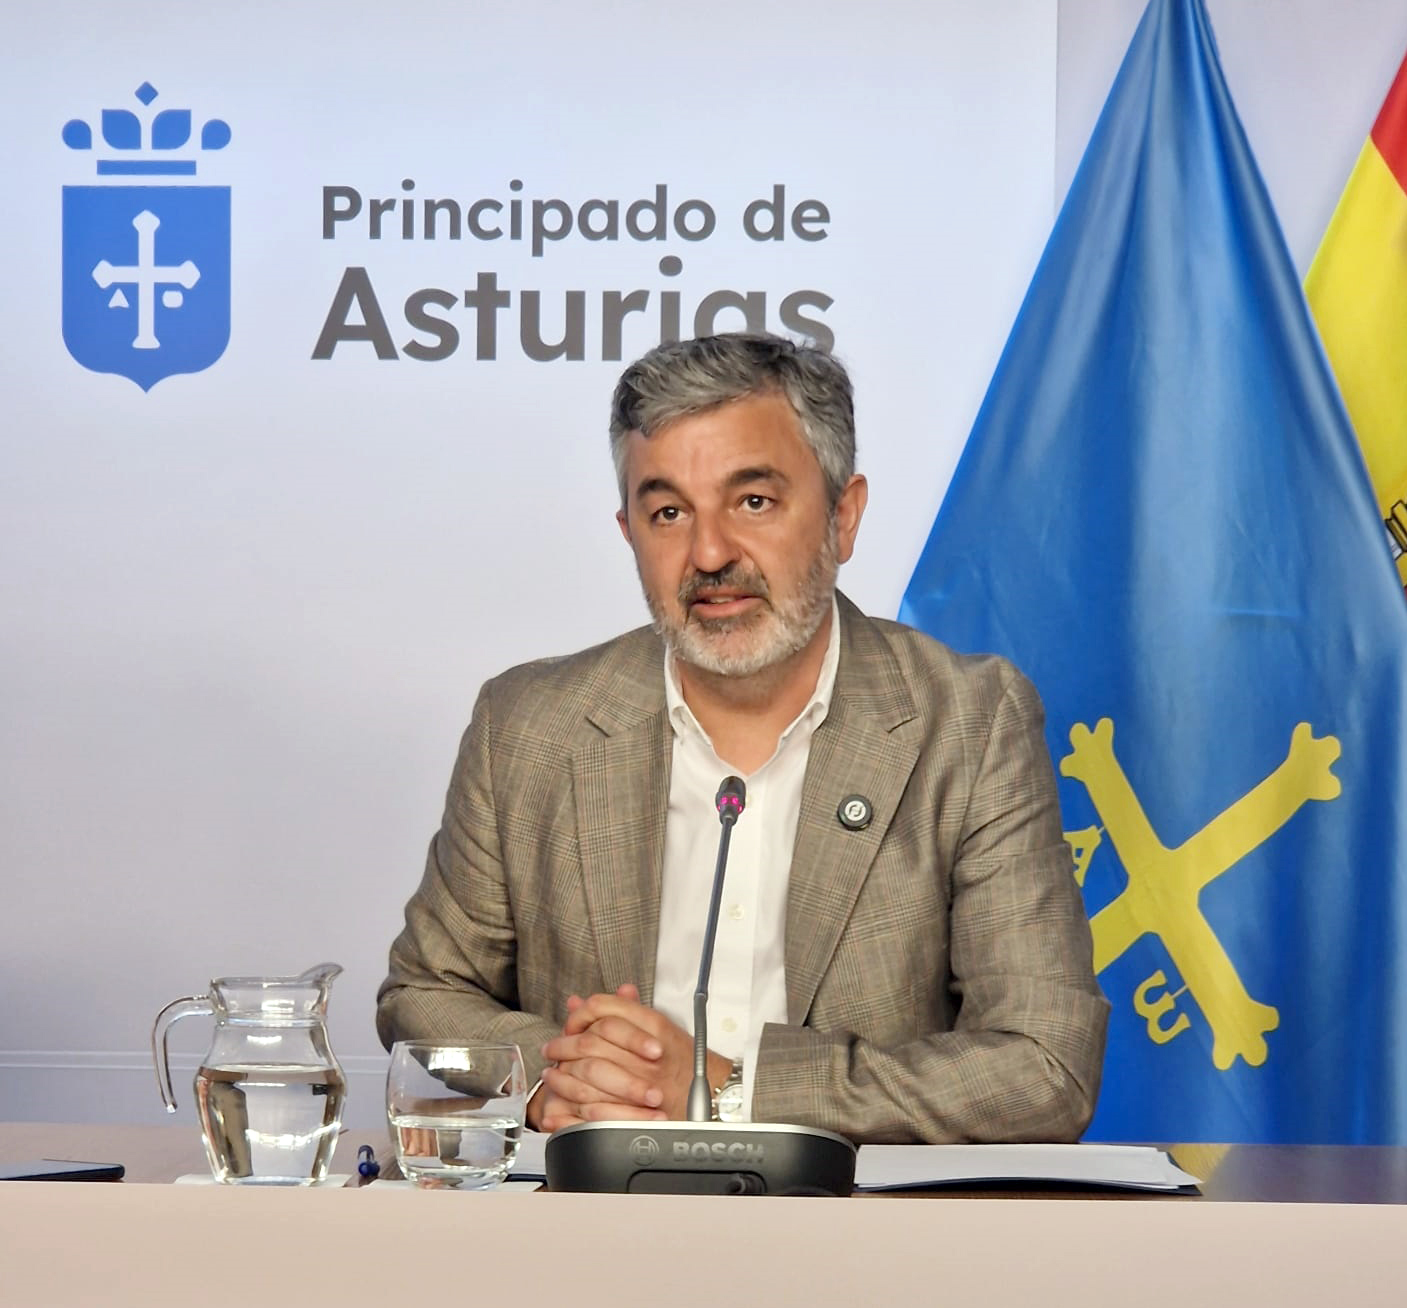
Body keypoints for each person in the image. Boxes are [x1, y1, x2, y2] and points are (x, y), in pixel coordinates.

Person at [376, 333, 1107, 1143]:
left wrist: (728, 1089)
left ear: (843, 516)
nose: (710, 553)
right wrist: (557, 1078)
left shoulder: (968, 722)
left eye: (753, 502)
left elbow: (1045, 1067)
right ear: (628, 531)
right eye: (668, 513)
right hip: (597, 1210)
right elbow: (424, 995)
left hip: (850, 1216)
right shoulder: (528, 726)